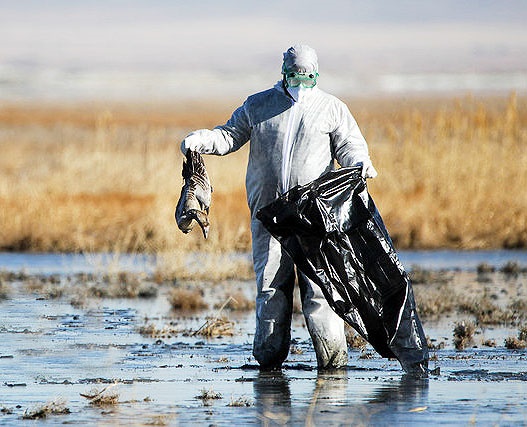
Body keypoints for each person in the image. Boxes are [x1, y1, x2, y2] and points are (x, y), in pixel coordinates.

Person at [180, 44, 378, 370]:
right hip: (268, 216)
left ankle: (333, 369)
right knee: (271, 287)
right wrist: (202, 140)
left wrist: (361, 162)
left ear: (316, 74)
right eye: (296, 76)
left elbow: (349, 145)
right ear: (283, 72)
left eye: (308, 77)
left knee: (320, 291)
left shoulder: (331, 109)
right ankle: (268, 365)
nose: (302, 83)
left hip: (315, 219)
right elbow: (229, 136)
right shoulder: (259, 106)